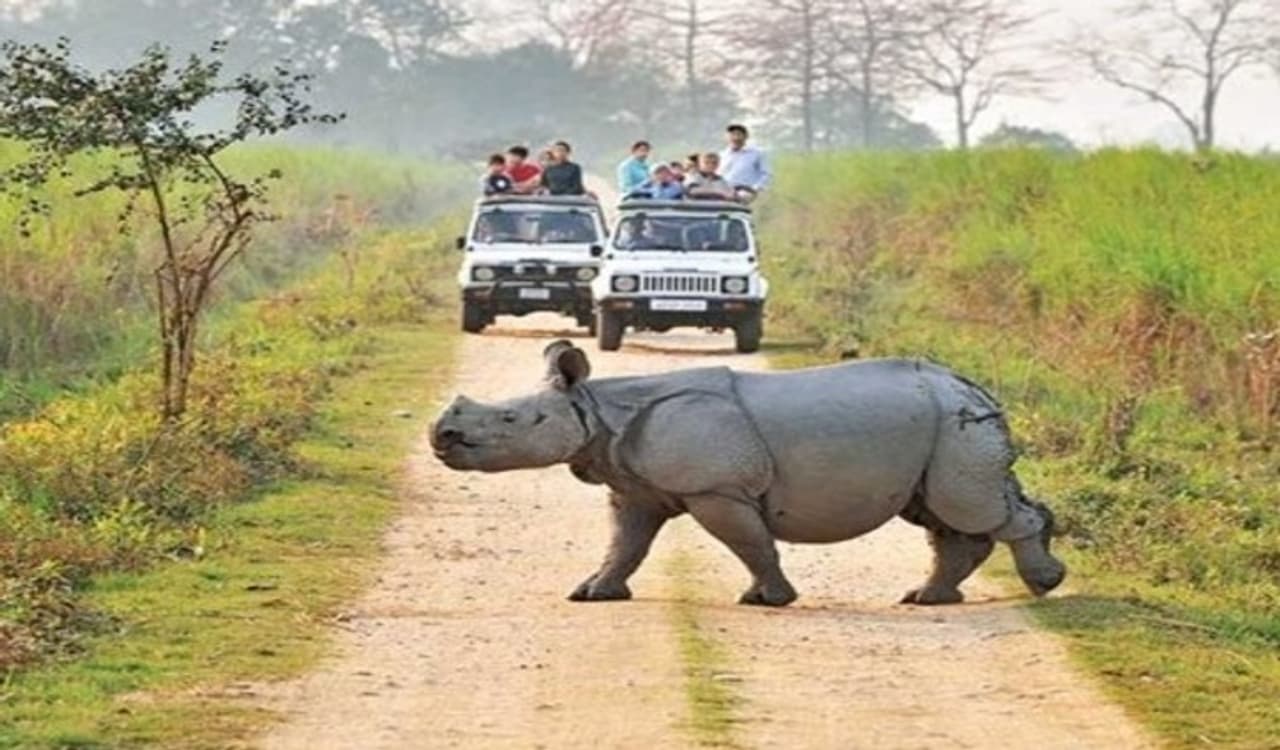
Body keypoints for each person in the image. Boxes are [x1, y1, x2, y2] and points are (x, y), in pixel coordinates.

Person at [720, 124, 771, 202]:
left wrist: (754, 189)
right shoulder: (723, 155)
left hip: (745, 193)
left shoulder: (757, 153)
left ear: (746, 136)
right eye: (732, 135)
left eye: (738, 134)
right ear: (727, 137)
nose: (735, 138)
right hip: (724, 193)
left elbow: (766, 174)